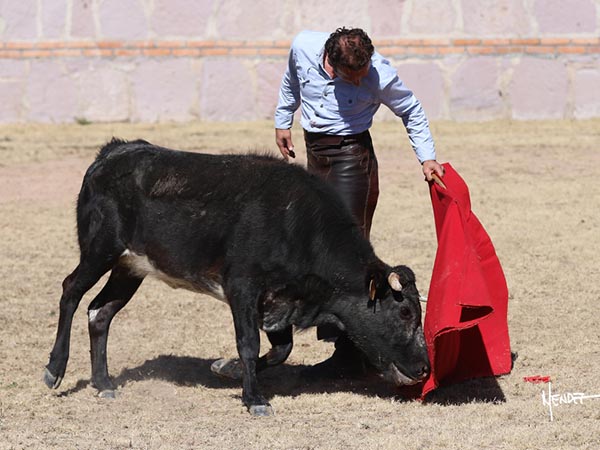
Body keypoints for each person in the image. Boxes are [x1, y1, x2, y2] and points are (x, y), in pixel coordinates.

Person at [274, 27, 444, 378]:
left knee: (350, 257)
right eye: (354, 77)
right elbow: (291, 80)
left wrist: (426, 158)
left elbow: (411, 109)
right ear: (331, 65)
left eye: (364, 73)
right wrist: (282, 119)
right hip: (315, 156)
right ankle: (342, 340)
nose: (362, 80)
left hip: (353, 159)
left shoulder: (379, 71)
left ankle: (352, 353)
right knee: (315, 249)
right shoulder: (304, 46)